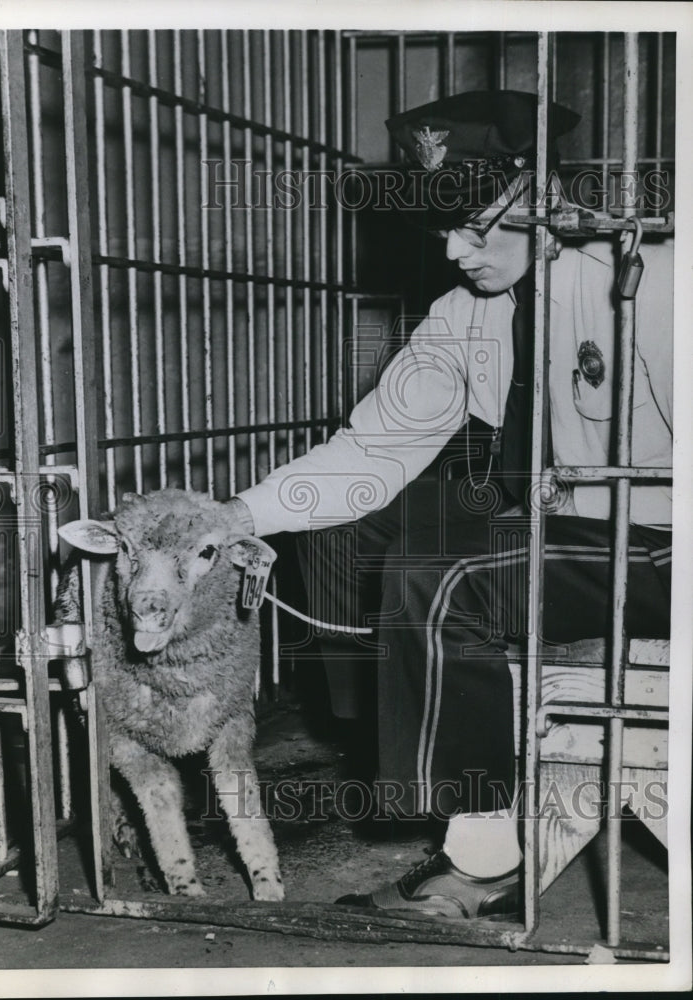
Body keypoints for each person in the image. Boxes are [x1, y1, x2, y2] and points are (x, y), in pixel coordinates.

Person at [224, 91, 673, 919]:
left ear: (542, 192)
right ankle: (405, 742)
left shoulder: (655, 277)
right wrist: (232, 518)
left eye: (476, 223)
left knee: (446, 568)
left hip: (665, 540)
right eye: (440, 228)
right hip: (570, 528)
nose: (456, 249)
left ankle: (481, 857)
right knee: (353, 526)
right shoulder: (463, 311)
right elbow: (373, 450)